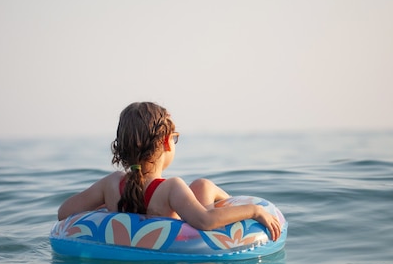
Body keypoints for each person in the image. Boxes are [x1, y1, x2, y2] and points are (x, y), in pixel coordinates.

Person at [58, 102, 281, 241]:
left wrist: (106, 205)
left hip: (125, 254)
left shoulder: (111, 184)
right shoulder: (171, 188)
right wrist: (253, 211)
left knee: (200, 186)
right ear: (166, 142)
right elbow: (204, 221)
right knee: (204, 186)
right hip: (170, 260)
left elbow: (64, 212)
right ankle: (229, 201)